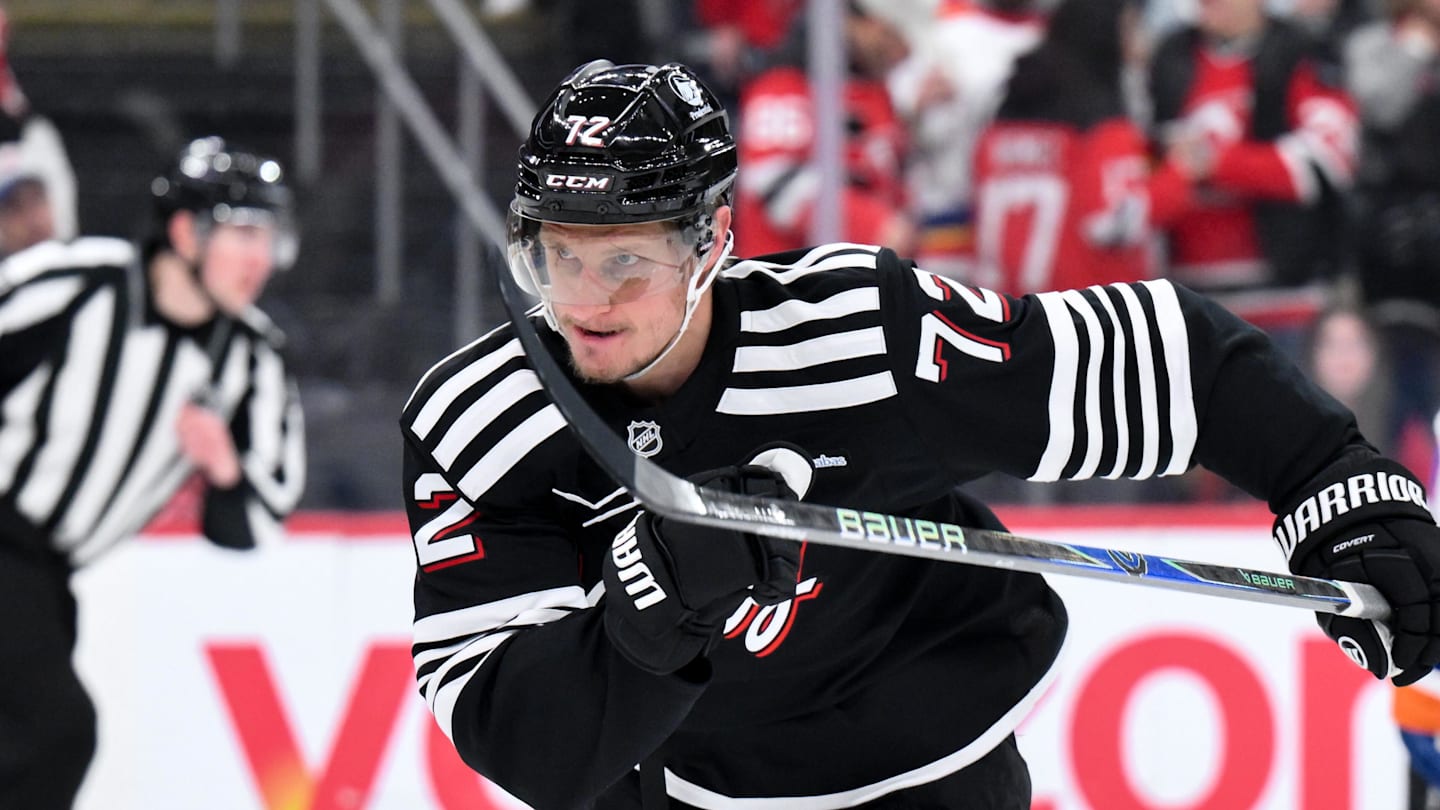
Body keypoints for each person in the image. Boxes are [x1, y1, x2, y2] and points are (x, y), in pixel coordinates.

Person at [400, 61, 1440, 809]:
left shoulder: (858, 329)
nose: (584, 299)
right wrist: (652, 605)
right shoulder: (476, 426)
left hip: (928, 755)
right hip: (687, 781)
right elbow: (523, 745)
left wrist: (1338, 486)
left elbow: (1175, 362)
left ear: (713, 237)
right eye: (557, 258)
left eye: (624, 260)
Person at [0, 135, 306, 808]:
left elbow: (255, 523)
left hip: (49, 573)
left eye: (268, 238)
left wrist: (224, 472)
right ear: (184, 233)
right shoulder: (78, 285)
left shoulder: (251, 359)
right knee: (57, 732)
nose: (259, 259)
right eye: (242, 234)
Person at [1148, 0, 1360, 356]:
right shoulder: (1170, 56)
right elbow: (1139, 153)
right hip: (1188, 304)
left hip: (1287, 299)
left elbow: (1329, 161)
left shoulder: (1303, 51)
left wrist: (1213, 163)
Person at [971, 0, 1191, 296]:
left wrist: (1154, 151)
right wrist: (1178, 171)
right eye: (1130, 28)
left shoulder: (999, 122)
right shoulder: (1104, 126)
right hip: (1090, 317)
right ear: (1105, 36)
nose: (1139, 42)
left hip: (1006, 313)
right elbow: (1112, 221)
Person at [731, 3, 916, 257]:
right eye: (889, 32)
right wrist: (871, 224)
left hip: (862, 276)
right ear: (852, 24)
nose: (900, 47)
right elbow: (775, 181)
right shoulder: (782, 87)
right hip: (790, 281)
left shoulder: (875, 92)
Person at [1344, 0, 1440, 463]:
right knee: (1399, 394)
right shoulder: (1374, 42)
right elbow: (1379, 104)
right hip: (1396, 255)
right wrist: (1418, 45)